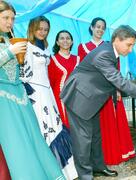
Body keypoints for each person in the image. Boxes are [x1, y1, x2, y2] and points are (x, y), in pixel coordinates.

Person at [60, 25, 136, 180]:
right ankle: (85, 176)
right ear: (117, 39)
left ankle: (99, 168)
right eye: (129, 45)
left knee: (95, 136)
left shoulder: (111, 52)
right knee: (83, 141)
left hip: (91, 100)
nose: (130, 49)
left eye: (133, 45)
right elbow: (117, 80)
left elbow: (111, 80)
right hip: (79, 99)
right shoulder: (104, 53)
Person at [0, 1, 64, 179]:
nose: (10, 22)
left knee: (34, 140)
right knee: (16, 143)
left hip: (21, 96)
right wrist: (10, 52)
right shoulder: (10, 45)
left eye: (12, 18)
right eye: (5, 18)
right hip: (3, 100)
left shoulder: (8, 39)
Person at [20, 16, 77, 179]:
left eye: (46, 29)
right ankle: (48, 171)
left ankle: (65, 171)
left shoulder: (45, 49)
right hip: (36, 94)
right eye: (40, 28)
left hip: (49, 94)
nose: (43, 32)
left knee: (57, 126)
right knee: (45, 129)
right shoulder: (27, 46)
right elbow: (23, 73)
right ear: (32, 28)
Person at [79, 17, 136, 165]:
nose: (100, 30)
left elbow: (116, 70)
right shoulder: (83, 47)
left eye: (103, 27)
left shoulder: (111, 46)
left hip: (109, 89)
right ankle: (96, 159)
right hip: (92, 91)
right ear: (91, 28)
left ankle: (113, 154)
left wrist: (117, 89)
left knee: (110, 122)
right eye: (97, 26)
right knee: (95, 127)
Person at [48, 30, 80, 129]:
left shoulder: (78, 59)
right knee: (65, 127)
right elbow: (51, 82)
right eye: (62, 38)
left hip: (77, 97)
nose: (65, 40)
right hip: (60, 99)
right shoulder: (52, 60)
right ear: (57, 42)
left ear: (72, 41)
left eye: (68, 38)